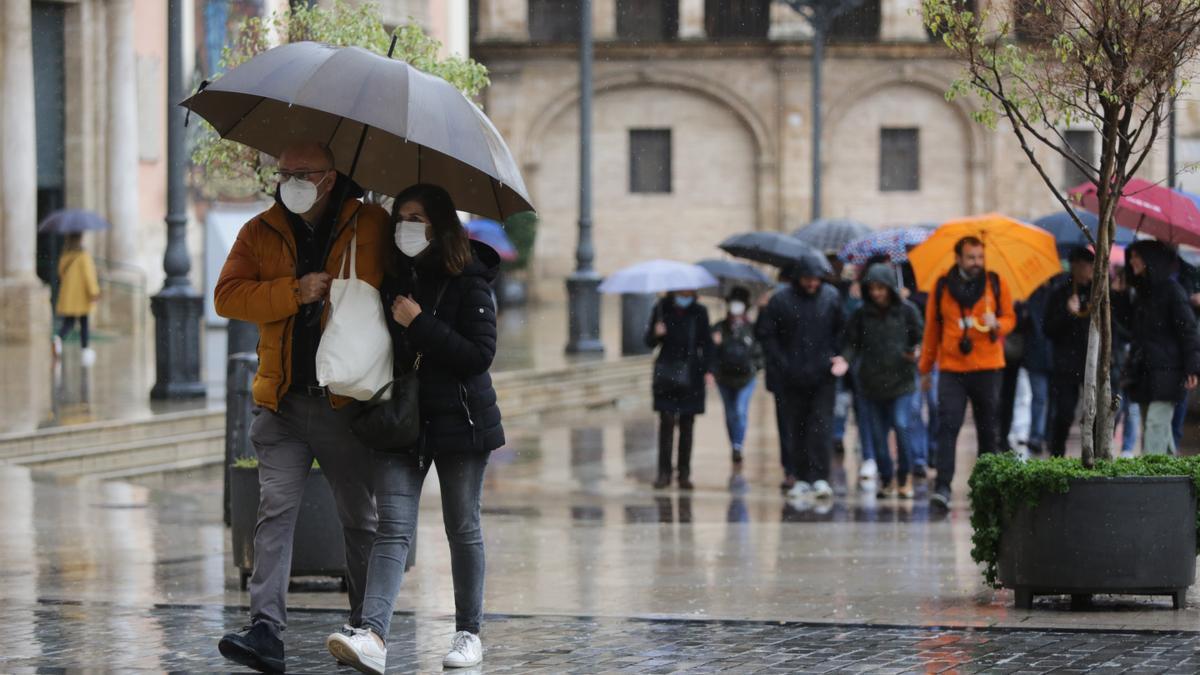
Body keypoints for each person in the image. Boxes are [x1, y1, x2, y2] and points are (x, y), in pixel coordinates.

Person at [214, 141, 388, 673]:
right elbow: (228, 296)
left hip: (346, 403)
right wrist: (295, 291)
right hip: (283, 402)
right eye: (283, 172)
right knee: (275, 514)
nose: (288, 180)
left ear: (329, 178)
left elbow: (399, 285)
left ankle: (364, 627)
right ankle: (266, 631)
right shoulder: (260, 230)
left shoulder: (370, 224)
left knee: (359, 519)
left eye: (301, 173)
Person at [325, 184, 504, 673]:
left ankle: (468, 634)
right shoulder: (393, 278)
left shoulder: (471, 279)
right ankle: (373, 636)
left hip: (461, 421)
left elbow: (478, 356)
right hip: (401, 422)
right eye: (400, 216)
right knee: (392, 530)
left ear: (440, 225)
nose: (406, 225)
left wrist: (420, 322)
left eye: (417, 218)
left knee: (462, 527)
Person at [918, 236, 1015, 510]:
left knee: (988, 430)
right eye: (971, 257)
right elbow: (931, 331)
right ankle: (943, 488)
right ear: (958, 258)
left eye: (980, 257)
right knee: (947, 427)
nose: (977, 263)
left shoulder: (995, 283)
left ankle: (986, 487)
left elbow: (1010, 317)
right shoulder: (942, 286)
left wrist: (998, 323)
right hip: (952, 369)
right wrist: (925, 368)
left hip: (988, 367)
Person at [758, 256, 849, 501]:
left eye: (815, 279)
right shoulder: (781, 301)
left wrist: (837, 356)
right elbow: (768, 336)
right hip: (792, 377)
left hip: (822, 376)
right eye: (807, 279)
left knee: (821, 426)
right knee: (795, 428)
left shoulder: (830, 298)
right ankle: (799, 476)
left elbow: (843, 331)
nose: (811, 284)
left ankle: (820, 476)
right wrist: (782, 363)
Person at [843, 263, 924, 499]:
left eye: (882, 288)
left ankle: (904, 475)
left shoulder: (907, 311)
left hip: (902, 382)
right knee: (877, 436)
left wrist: (915, 351)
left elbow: (919, 336)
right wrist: (845, 360)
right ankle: (886, 478)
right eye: (873, 288)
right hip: (871, 383)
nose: (877, 293)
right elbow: (852, 343)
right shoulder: (861, 314)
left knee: (901, 425)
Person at [1119, 240, 1200, 455]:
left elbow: (1188, 330)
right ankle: (1176, 481)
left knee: (1155, 425)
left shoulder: (1172, 291)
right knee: (1157, 430)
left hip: (1168, 373)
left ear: (1150, 260)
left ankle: (1149, 483)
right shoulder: (1141, 294)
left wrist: (1193, 367)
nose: (1132, 260)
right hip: (1145, 373)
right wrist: (1119, 295)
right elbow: (1127, 328)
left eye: (1137, 256)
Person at [646, 289, 716, 490]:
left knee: (687, 424)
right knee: (666, 422)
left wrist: (709, 370)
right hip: (666, 373)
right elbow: (648, 342)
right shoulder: (660, 309)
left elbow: (707, 344)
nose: (684, 294)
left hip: (692, 374)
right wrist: (656, 333)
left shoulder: (699, 312)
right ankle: (663, 472)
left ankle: (684, 473)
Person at [1043, 247, 1099, 457]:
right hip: (1066, 364)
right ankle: (1057, 453)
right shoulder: (1060, 293)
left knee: (1094, 413)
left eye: (1092, 266)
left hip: (1091, 362)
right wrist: (1067, 314)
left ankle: (1094, 455)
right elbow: (1048, 328)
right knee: (1064, 412)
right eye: (1085, 266)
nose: (1089, 270)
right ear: (1074, 267)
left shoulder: (1099, 291)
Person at [712, 286, 763, 468]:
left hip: (746, 377)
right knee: (730, 413)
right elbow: (711, 353)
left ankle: (737, 445)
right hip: (724, 377)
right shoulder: (719, 327)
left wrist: (755, 367)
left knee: (740, 411)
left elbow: (759, 350)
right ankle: (734, 442)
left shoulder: (751, 328)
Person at [756, 271, 798, 492]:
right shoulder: (772, 306)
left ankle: (802, 468)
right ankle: (791, 469)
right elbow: (763, 336)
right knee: (786, 424)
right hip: (782, 377)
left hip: (804, 375)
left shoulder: (804, 302)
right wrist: (762, 310)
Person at [53, 232, 102, 367]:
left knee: (68, 322)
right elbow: (89, 276)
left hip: (69, 295)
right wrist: (94, 292)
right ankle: (85, 349)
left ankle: (58, 339)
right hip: (81, 296)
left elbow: (60, 273)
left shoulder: (65, 256)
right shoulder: (83, 256)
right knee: (84, 323)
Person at [1020, 278, 1056, 455]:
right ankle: (1037, 436)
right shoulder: (1031, 296)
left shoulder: (1059, 291)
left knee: (1051, 399)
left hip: (1055, 356)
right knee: (1040, 397)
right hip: (1036, 355)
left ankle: (1047, 435)